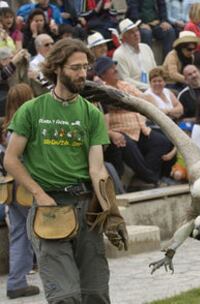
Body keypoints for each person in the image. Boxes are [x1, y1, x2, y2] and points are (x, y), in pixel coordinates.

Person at [4, 38, 127, 303]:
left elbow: (97, 170)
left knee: (95, 294)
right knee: (66, 297)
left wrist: (111, 210)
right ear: (57, 68)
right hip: (50, 209)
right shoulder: (31, 110)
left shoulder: (92, 114)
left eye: (85, 67)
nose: (82, 74)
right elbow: (11, 160)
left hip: (87, 209)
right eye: (75, 67)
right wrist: (38, 194)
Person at [96, 56, 176, 185]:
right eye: (111, 68)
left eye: (114, 67)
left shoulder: (125, 84)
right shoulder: (102, 91)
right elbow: (116, 104)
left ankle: (142, 178)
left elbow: (145, 98)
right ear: (103, 75)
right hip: (121, 131)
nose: (115, 69)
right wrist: (133, 102)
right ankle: (152, 179)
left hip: (141, 129)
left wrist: (133, 102)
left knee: (162, 142)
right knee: (127, 145)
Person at [4, 84, 39, 299]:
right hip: (27, 185)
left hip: (11, 188)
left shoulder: (5, 125)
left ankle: (16, 282)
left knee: (19, 234)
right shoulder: (26, 123)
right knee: (43, 233)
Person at [113, 18, 157, 91]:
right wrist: (149, 87)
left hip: (153, 88)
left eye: (136, 30)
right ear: (124, 37)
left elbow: (155, 70)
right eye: (131, 32)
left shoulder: (146, 48)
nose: (136, 34)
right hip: (134, 92)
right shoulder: (119, 54)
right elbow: (125, 80)